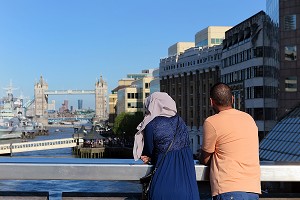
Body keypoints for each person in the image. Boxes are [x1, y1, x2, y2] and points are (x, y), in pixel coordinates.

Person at [199, 82, 261, 200]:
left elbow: (205, 158)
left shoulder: (212, 122)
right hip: (252, 189)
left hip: (228, 188)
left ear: (211, 102)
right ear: (232, 99)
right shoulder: (249, 119)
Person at [133, 92, 200, 200]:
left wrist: (149, 157)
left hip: (162, 185)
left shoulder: (151, 125)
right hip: (187, 188)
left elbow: (149, 151)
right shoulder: (180, 122)